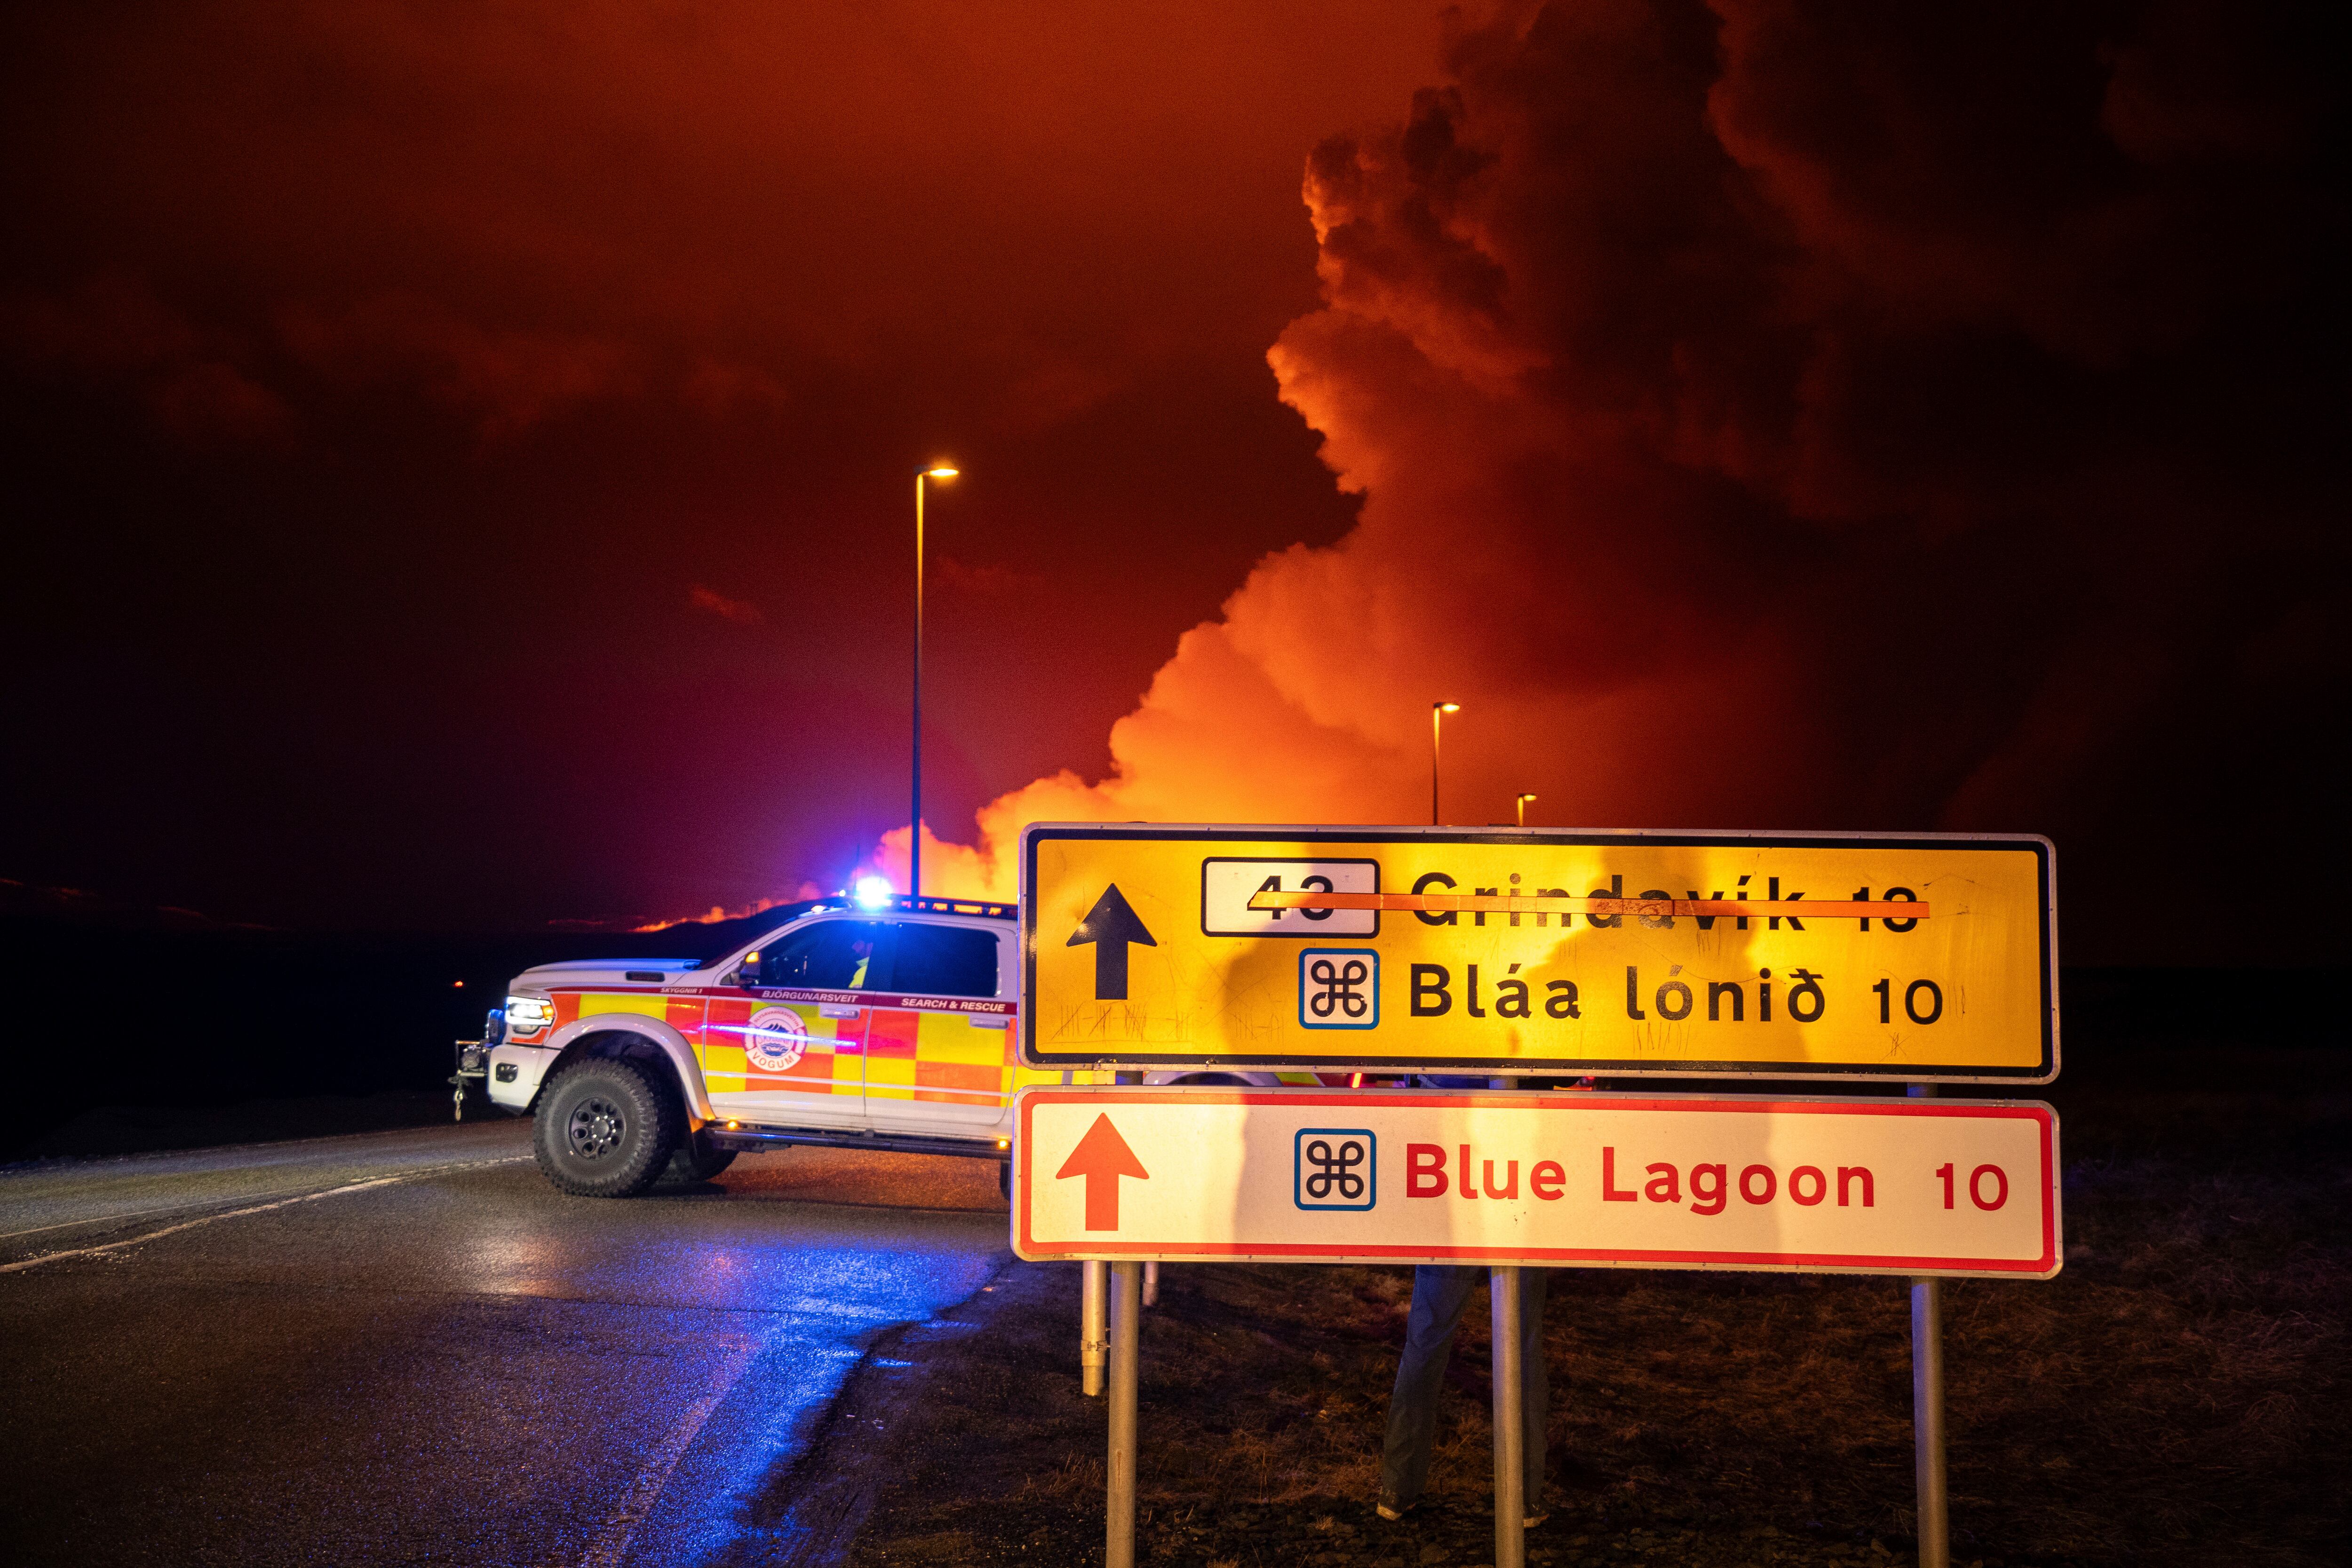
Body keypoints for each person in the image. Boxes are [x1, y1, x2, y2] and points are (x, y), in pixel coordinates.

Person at [1377, 1075, 1553, 1527]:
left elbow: (1417, 1074)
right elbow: (1559, 1073)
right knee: (1523, 1343)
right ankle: (1526, 1497)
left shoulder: (1446, 1023)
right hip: (1522, 1176)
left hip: (1451, 1179)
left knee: (1428, 1336)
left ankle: (1398, 1489)